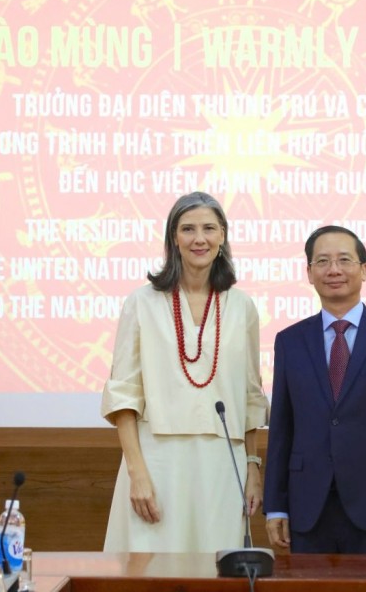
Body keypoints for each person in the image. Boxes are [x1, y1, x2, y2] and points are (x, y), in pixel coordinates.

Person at [101, 191, 269, 553]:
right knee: (150, 571)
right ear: (173, 238)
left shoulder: (242, 306)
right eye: (188, 229)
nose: (199, 238)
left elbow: (250, 395)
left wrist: (253, 467)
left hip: (223, 463)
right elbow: (124, 394)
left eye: (209, 228)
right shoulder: (141, 302)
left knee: (216, 570)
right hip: (157, 459)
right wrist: (137, 472)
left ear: (222, 236)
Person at [263, 225, 366, 554]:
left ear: (364, 269)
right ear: (309, 273)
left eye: (344, 260)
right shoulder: (290, 341)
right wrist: (276, 505)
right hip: (307, 506)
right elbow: (282, 427)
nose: (333, 270)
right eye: (322, 261)